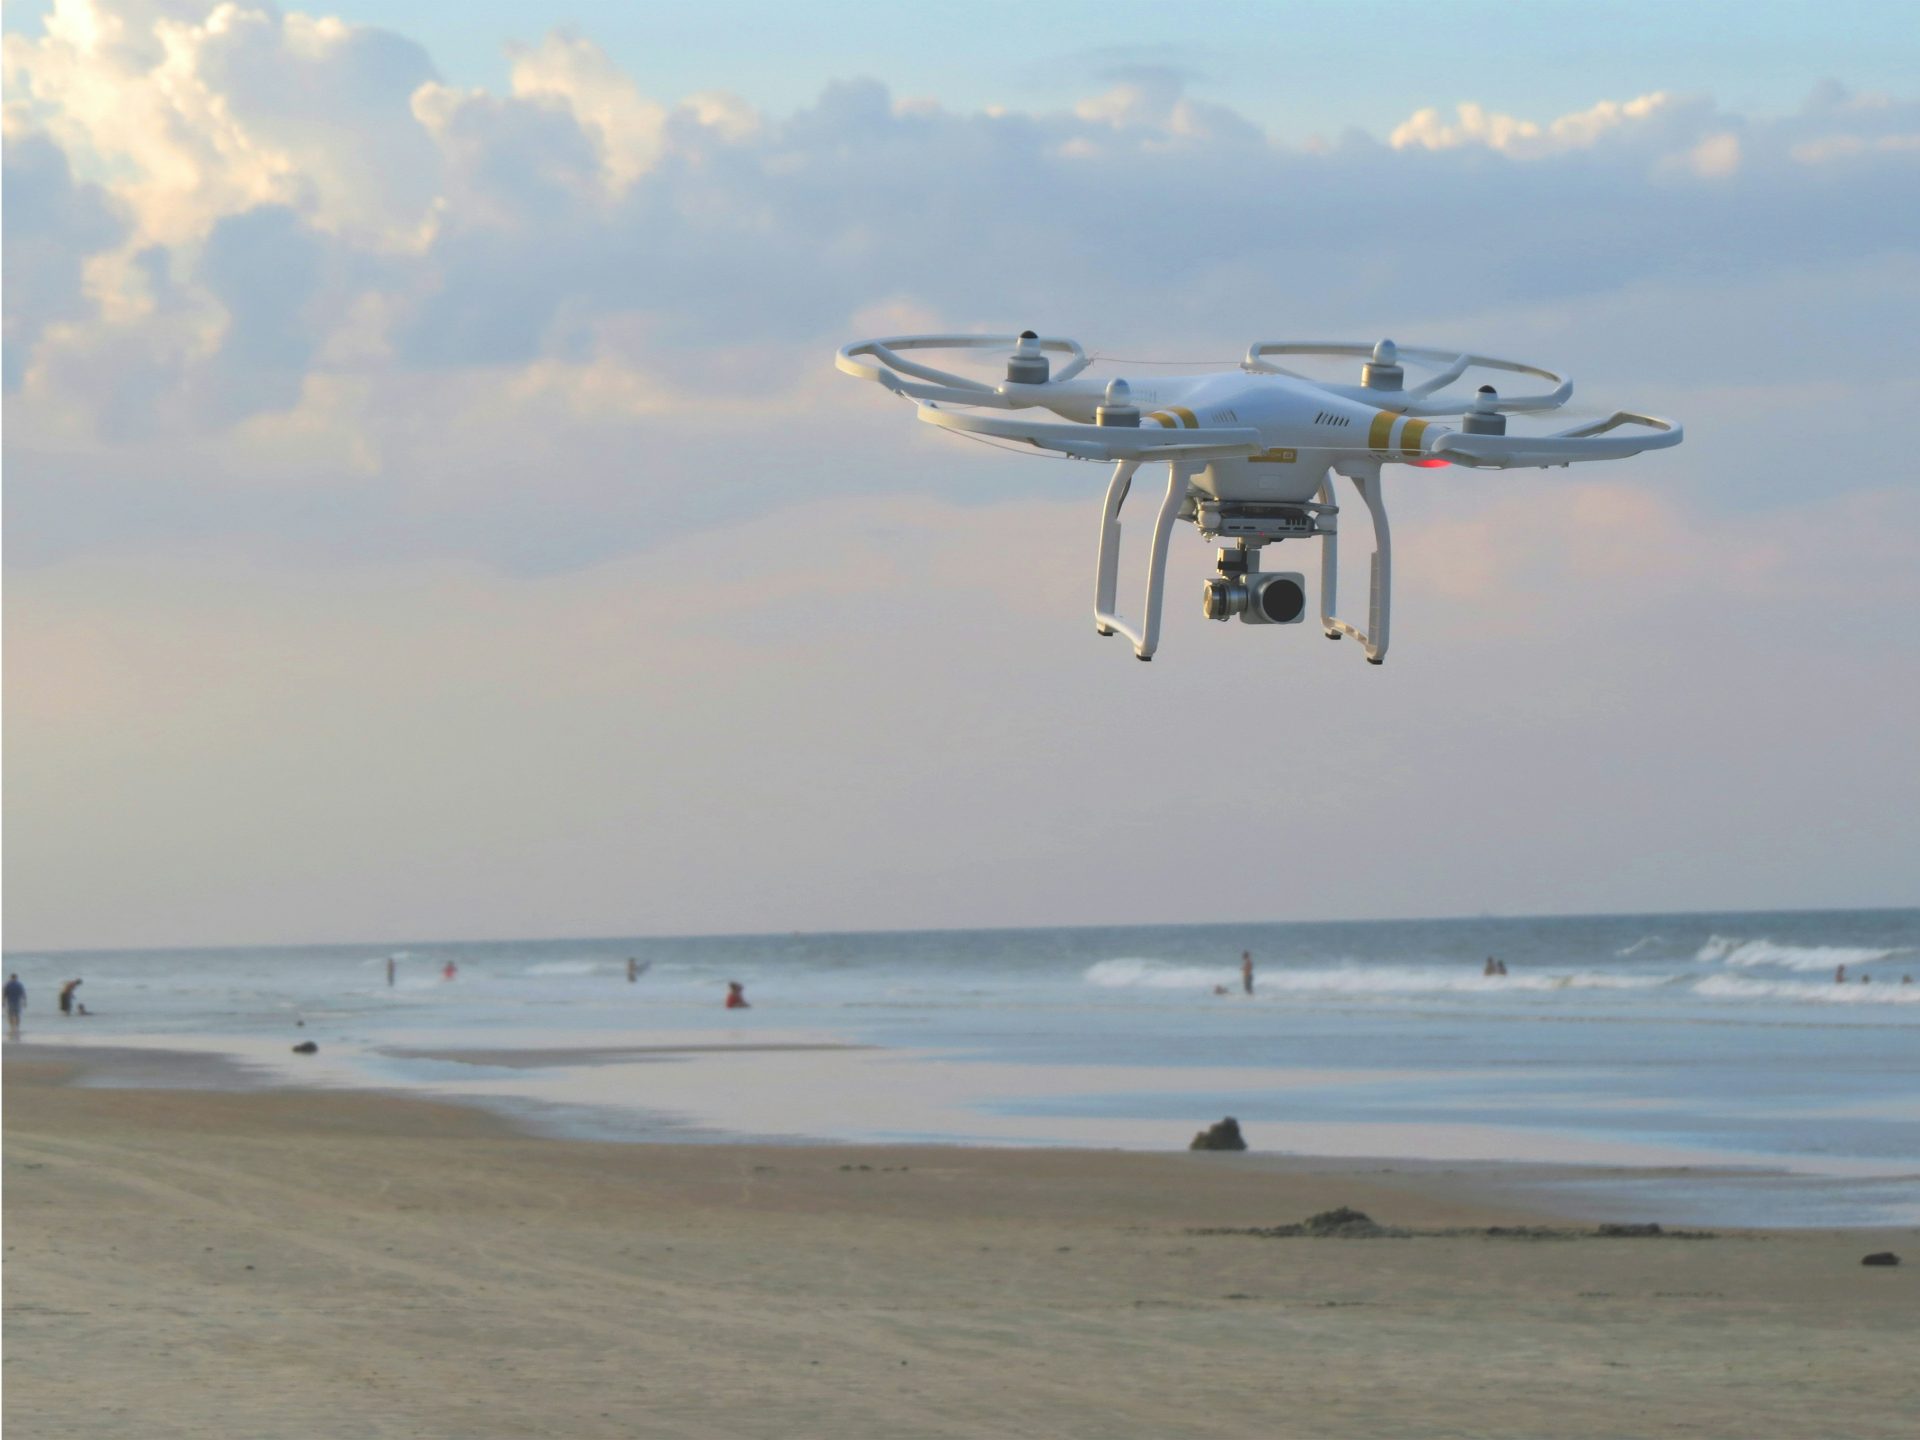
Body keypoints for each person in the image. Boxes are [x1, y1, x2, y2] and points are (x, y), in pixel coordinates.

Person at [4, 974, 25, 1040]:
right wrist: (24, 1001)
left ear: (11, 978)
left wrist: (3, 1002)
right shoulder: (19, 984)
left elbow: (4, 993)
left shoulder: (8, 984)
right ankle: (17, 1028)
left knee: (11, 1015)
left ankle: (12, 1028)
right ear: (16, 978)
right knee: (17, 1015)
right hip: (17, 1002)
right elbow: (23, 993)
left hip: (10, 1002)